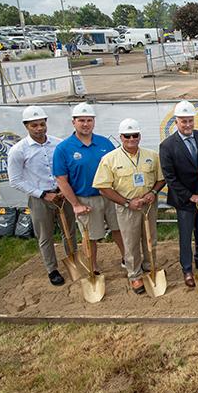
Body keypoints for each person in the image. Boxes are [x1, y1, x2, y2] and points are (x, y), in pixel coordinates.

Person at [92, 119, 165, 295]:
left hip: (148, 205)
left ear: (140, 136)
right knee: (131, 242)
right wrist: (126, 202)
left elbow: (161, 179)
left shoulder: (152, 155)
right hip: (126, 207)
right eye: (127, 136)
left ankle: (149, 266)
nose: (131, 139)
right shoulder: (110, 159)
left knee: (150, 238)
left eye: (135, 135)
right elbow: (103, 187)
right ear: (121, 137)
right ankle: (135, 275)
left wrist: (153, 193)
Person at [7, 106, 77, 286]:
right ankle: (52, 269)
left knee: (69, 231)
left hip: (62, 195)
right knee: (45, 236)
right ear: (26, 126)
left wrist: (64, 190)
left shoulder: (58, 144)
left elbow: (68, 168)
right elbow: (15, 180)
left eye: (42, 124)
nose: (39, 128)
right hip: (40, 199)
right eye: (34, 125)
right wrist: (43, 194)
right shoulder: (18, 150)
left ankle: (74, 261)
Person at [53, 102, 125, 274]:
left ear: (93, 122)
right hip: (86, 199)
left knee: (119, 229)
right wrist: (76, 204)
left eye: (89, 120)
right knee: (90, 236)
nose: (85, 124)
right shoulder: (63, 148)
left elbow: (117, 168)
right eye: (81, 120)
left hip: (109, 195)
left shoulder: (104, 143)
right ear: (74, 122)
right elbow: (61, 180)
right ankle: (93, 266)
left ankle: (127, 259)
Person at [159, 100, 198, 288]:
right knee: (186, 236)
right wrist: (189, 195)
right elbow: (170, 177)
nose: (187, 125)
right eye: (183, 121)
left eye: (190, 121)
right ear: (176, 122)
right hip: (184, 199)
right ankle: (187, 269)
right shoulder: (167, 146)